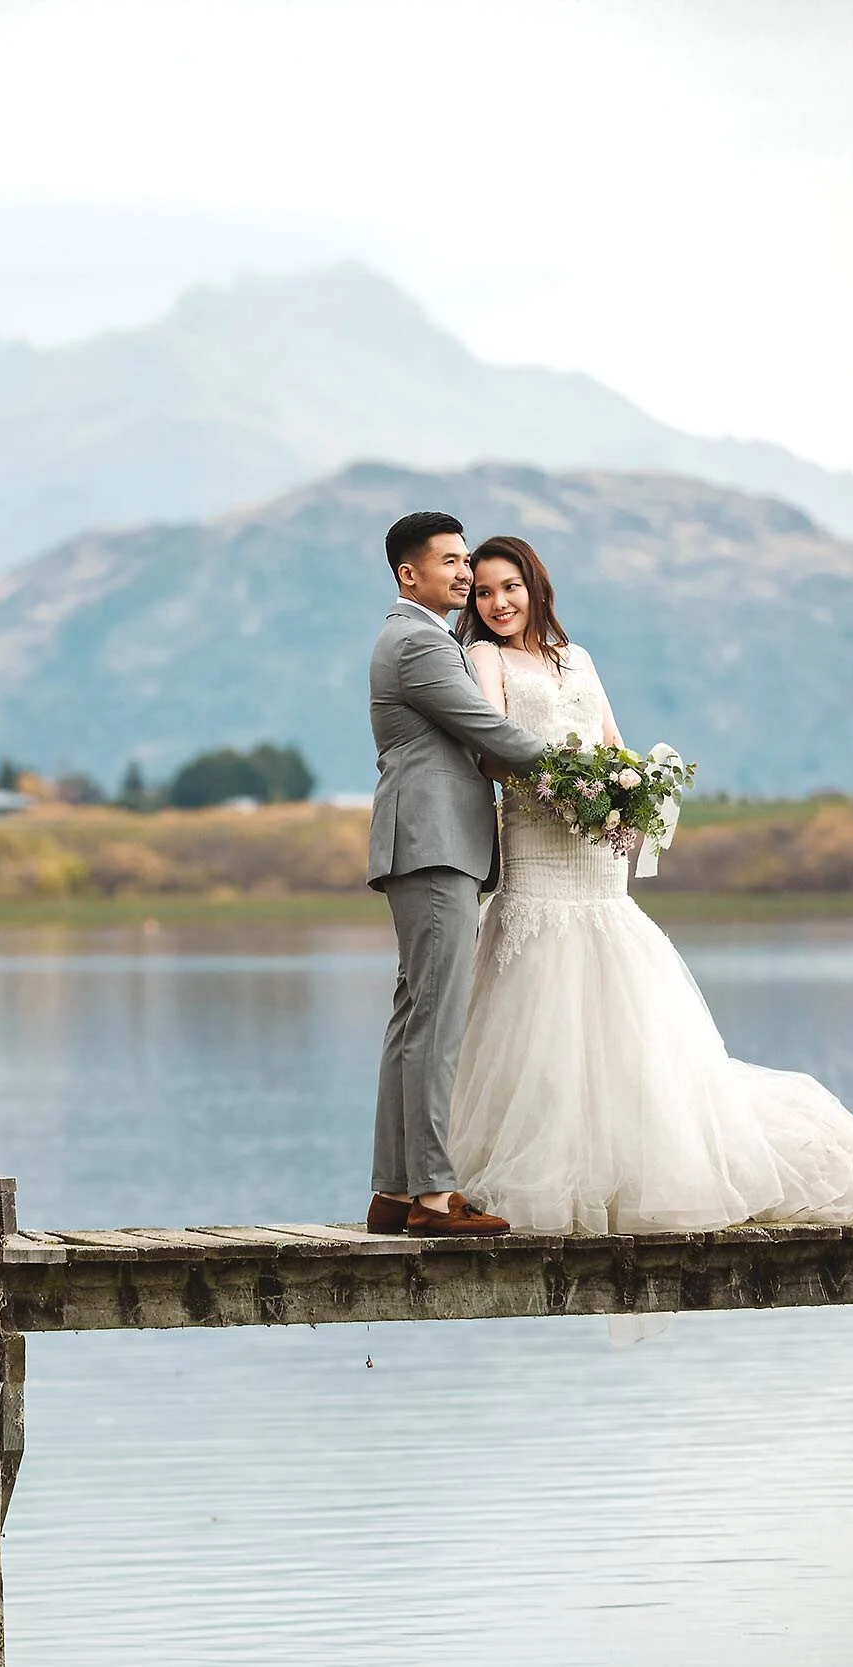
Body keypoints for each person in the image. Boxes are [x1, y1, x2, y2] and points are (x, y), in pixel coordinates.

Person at [444, 535, 853, 1233]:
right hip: (537, 848)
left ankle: (636, 1167)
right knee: (543, 1020)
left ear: (535, 585)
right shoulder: (481, 658)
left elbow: (614, 740)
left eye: (510, 586)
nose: (498, 602)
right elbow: (492, 749)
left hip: (597, 857)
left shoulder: (577, 657)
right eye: (484, 591)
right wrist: (563, 784)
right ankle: (546, 1174)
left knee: (623, 1015)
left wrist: (623, 790)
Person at [366, 513, 548, 1235]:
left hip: (424, 845)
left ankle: (393, 1190)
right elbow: (492, 730)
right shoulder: (417, 642)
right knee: (435, 1023)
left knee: (414, 1015)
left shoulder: (418, 638)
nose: (465, 573)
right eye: (450, 562)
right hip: (434, 845)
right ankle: (435, 1197)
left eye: (466, 559)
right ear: (410, 574)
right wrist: (586, 774)